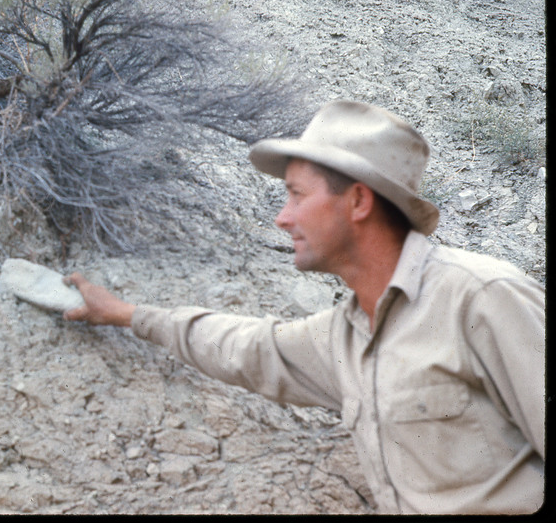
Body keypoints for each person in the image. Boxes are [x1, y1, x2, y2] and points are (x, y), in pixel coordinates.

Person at [62, 101, 545, 515]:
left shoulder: (483, 299)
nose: (281, 217)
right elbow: (244, 348)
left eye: (296, 194)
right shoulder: (345, 335)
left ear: (358, 200)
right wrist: (125, 314)